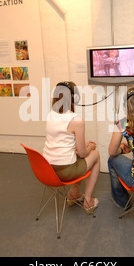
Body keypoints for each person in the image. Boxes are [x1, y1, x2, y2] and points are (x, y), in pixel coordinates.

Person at [43, 81, 101, 214]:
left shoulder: (50, 115)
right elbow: (82, 154)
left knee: (79, 157)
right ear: (74, 98)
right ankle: (88, 201)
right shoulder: (76, 120)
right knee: (95, 155)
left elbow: (65, 144)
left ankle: (74, 194)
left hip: (47, 169)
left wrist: (83, 148)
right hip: (65, 171)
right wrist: (90, 147)